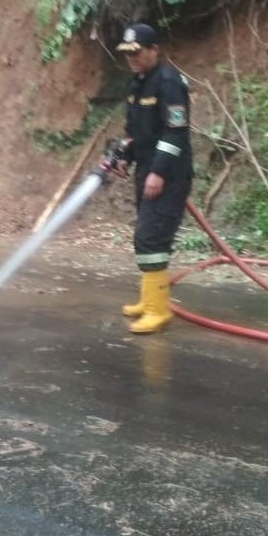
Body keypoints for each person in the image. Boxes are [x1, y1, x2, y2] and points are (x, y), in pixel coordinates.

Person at [112, 22, 194, 333]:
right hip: (147, 171)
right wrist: (123, 156)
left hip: (169, 174)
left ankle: (158, 311)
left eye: (137, 52)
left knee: (150, 237)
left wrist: (159, 172)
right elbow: (136, 133)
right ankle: (148, 300)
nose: (132, 58)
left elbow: (176, 131)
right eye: (127, 53)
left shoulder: (169, 83)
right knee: (148, 236)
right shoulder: (137, 83)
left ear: (153, 50)